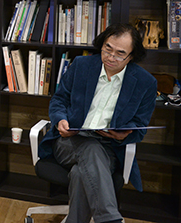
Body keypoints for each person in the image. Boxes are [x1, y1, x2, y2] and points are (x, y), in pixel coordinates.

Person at [38, 23, 158, 223]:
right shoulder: (81, 65)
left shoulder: (145, 83)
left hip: (108, 148)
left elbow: (140, 126)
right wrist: (61, 120)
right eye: (107, 49)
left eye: (120, 54)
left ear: (132, 56)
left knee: (80, 173)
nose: (111, 57)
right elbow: (59, 100)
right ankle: (110, 219)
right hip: (69, 141)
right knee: (90, 148)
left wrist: (123, 134)